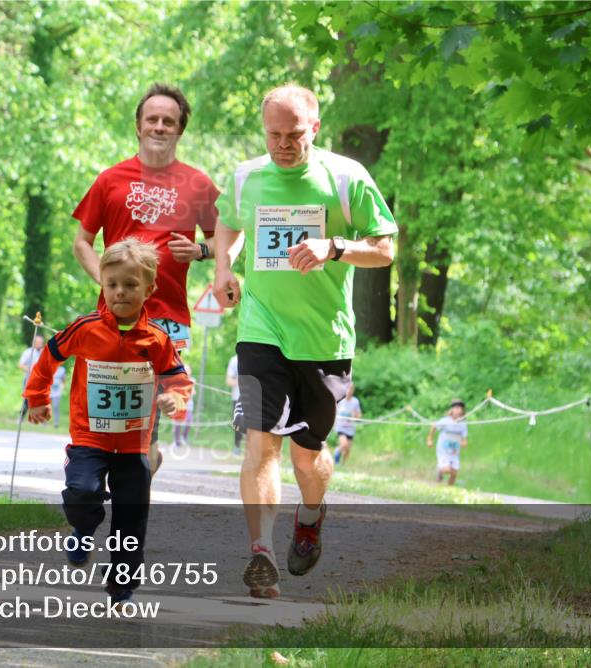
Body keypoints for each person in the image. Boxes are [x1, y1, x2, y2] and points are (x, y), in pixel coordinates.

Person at [212, 84, 397, 598]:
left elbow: (384, 250)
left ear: (315, 128)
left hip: (322, 339)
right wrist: (223, 267)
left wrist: (334, 247)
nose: (283, 144)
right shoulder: (247, 177)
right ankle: (261, 555)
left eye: (293, 135)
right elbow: (226, 224)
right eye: (273, 134)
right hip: (260, 330)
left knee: (305, 455)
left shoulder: (345, 179)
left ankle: (310, 515)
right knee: (260, 442)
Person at [24, 238, 193, 607]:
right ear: (102, 283)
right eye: (112, 284)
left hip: (133, 445)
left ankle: (122, 584)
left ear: (149, 289)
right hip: (89, 438)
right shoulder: (85, 329)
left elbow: (179, 379)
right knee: (82, 492)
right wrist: (36, 398)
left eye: (131, 285)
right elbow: (49, 357)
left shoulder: (158, 339)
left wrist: (175, 398)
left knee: (132, 516)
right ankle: (83, 527)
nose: (120, 292)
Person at [72, 83, 220, 474]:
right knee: (109, 414)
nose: (159, 126)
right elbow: (82, 244)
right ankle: (106, 474)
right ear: (138, 126)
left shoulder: (197, 184)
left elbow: (226, 238)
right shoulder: (110, 180)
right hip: (113, 317)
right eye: (151, 119)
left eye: (168, 121)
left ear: (179, 130)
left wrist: (203, 251)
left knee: (143, 425)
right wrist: (105, 282)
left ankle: (140, 472)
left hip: (166, 318)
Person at [427, 399, 468, 486]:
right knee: (446, 469)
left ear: (462, 411)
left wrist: (464, 443)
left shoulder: (463, 424)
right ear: (452, 410)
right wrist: (430, 439)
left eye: (460, 408)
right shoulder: (445, 421)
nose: (458, 410)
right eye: (456, 408)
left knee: (454, 473)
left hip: (454, 451)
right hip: (443, 450)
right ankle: (439, 473)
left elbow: (464, 438)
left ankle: (449, 489)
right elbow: (434, 427)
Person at [332, 383, 362, 464]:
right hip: (341, 427)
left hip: (350, 428)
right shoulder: (340, 400)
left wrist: (355, 416)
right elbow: (334, 412)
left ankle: (342, 464)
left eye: (351, 389)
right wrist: (333, 424)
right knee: (344, 444)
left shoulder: (355, 401)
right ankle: (337, 452)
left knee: (347, 449)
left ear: (353, 390)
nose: (349, 391)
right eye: (347, 389)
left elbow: (359, 415)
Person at [226, 353, 246, 455]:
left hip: (254, 397)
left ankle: (251, 449)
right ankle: (237, 446)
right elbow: (229, 381)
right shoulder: (234, 360)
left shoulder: (257, 357)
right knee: (238, 424)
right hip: (237, 398)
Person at [172, 364, 195, 449]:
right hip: (180, 405)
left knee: (189, 421)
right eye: (185, 369)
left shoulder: (192, 380)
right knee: (177, 423)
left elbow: (192, 393)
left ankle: (184, 437)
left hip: (188, 405)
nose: (187, 371)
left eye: (188, 370)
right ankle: (176, 442)